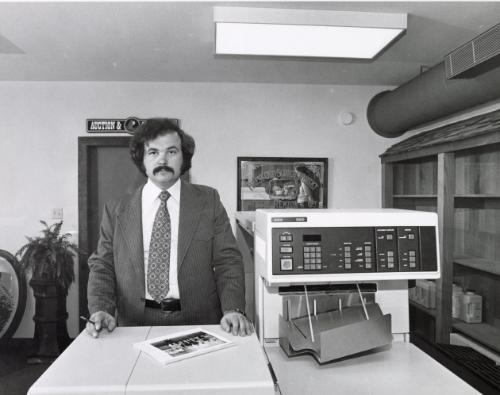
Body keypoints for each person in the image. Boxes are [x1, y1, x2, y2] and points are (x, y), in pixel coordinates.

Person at [86, 118, 253, 338]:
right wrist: (101, 309)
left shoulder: (208, 201)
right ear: (141, 159)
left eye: (171, 152)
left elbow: (228, 260)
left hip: (200, 322)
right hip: (134, 325)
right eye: (153, 152)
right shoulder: (117, 209)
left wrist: (233, 309)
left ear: (184, 158)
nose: (162, 159)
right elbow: (103, 265)